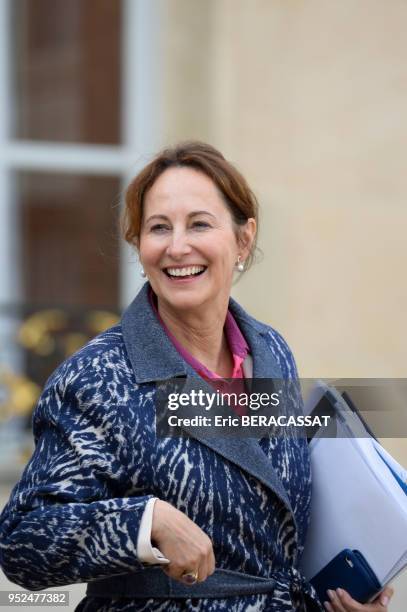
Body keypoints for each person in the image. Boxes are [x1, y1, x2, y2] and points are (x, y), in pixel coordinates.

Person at [0, 142, 394, 612]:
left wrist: (334, 601)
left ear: (243, 239)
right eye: (158, 228)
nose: (177, 246)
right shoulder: (96, 377)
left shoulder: (272, 353)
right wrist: (146, 523)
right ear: (139, 246)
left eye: (199, 224)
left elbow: (270, 538)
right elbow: (23, 542)